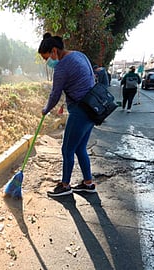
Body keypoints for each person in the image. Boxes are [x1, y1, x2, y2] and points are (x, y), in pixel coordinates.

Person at [38, 32, 96, 197]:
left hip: (80, 111)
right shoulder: (79, 55)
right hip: (93, 109)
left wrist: (45, 109)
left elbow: (55, 94)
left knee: (67, 149)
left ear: (54, 51)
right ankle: (88, 183)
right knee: (79, 148)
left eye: (46, 58)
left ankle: (65, 186)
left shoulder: (62, 67)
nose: (47, 62)